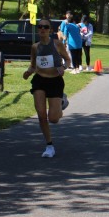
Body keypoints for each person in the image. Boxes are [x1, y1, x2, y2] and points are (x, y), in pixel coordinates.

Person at [22, 19, 71, 158]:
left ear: (50, 30)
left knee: (54, 119)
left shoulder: (57, 44)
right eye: (40, 27)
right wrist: (27, 72)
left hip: (55, 81)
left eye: (45, 27)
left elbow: (68, 60)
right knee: (41, 114)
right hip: (40, 81)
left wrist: (64, 67)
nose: (42, 29)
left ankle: (61, 102)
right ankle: (49, 146)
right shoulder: (35, 47)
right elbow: (33, 65)